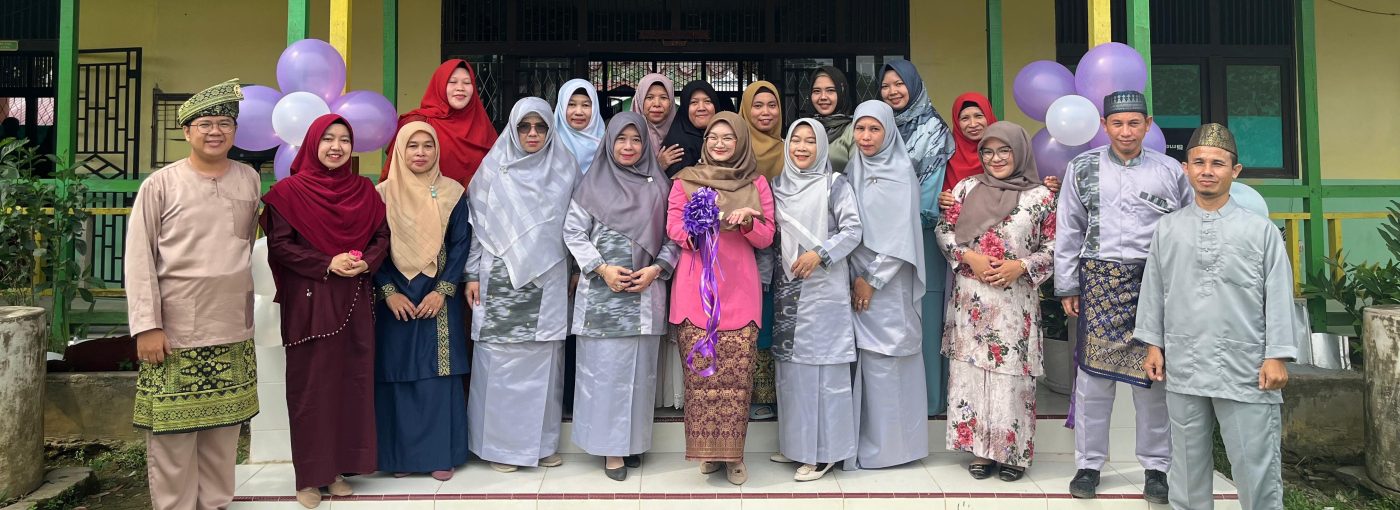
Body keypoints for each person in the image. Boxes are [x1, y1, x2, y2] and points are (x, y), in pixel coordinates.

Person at [1137, 123, 1297, 510]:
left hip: (1245, 365)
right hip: (1185, 361)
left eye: (1218, 163)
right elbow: (1155, 288)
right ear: (1185, 168)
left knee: (1254, 466)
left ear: (1235, 171)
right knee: (1186, 467)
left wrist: (1277, 354)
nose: (1207, 170)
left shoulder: (1260, 230)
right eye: (1199, 162)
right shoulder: (1168, 228)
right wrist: (1153, 345)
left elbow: (1279, 293)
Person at [127, 79, 260, 510]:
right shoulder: (160, 185)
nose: (215, 132)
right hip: (175, 331)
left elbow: (246, 246)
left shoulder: (249, 179)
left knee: (224, 431)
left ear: (235, 131)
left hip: (232, 326)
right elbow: (139, 259)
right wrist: (147, 326)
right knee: (173, 435)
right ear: (186, 131)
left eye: (225, 123)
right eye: (205, 124)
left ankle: (216, 503)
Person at [1055, 90, 1192, 503]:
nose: (1126, 131)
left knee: (1152, 379)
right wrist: (1068, 284)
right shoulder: (1081, 168)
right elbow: (1069, 228)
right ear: (1104, 125)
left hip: (1153, 282)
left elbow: (1187, 226)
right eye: (1117, 123)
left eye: (1134, 123)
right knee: (1093, 380)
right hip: (1099, 282)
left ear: (1148, 124)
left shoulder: (1169, 170)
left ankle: (1156, 468)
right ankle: (1088, 465)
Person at [262, 114, 390, 508]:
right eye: (328, 139)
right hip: (311, 302)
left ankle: (337, 471)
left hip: (354, 298)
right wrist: (326, 262)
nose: (336, 147)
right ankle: (308, 477)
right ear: (312, 143)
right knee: (311, 389)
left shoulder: (364, 191)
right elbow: (280, 246)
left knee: (350, 384)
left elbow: (382, 236)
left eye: (344, 140)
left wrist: (366, 262)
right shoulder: (288, 193)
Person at [935, 121, 1056, 482]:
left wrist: (1022, 266)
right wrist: (968, 257)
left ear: (1019, 152)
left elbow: (1055, 246)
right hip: (972, 298)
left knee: (1011, 375)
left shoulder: (1041, 196)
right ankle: (979, 450)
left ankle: (1011, 452)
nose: (996, 158)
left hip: (1014, 301)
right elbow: (944, 230)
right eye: (988, 151)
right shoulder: (966, 188)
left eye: (1004, 150)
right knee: (971, 373)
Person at [465, 97, 579, 472]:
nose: (533, 134)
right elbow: (477, 228)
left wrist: (577, 270)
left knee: (544, 364)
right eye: (524, 126)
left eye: (541, 126)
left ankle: (541, 445)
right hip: (500, 277)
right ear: (512, 129)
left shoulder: (565, 167)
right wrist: (470, 274)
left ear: (550, 129)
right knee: (499, 365)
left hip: (549, 277)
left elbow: (577, 225)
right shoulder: (493, 169)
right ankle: (500, 449)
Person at [564, 112, 678, 481]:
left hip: (644, 295)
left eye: (636, 139)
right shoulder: (591, 185)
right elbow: (573, 232)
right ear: (609, 142)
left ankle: (631, 443)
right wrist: (601, 269)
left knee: (640, 376)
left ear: (646, 144)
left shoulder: (659, 187)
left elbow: (674, 237)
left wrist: (656, 269)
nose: (628, 147)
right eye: (621, 139)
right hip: (602, 299)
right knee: (605, 375)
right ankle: (610, 450)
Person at [668, 110, 776, 485]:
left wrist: (748, 221)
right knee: (701, 381)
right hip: (695, 291)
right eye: (713, 137)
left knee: (736, 380)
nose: (719, 143)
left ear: (741, 142)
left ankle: (734, 456)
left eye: (728, 137)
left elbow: (767, 235)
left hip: (740, 291)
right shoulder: (686, 180)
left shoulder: (757, 183)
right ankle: (708, 453)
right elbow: (673, 226)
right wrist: (696, 227)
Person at [372, 122, 471, 481]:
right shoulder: (381, 195)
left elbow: (461, 244)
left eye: (427, 145)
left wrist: (443, 290)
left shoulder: (452, 192)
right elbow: (373, 246)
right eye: (412, 145)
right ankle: (402, 457)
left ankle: (440, 455)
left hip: (438, 294)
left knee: (437, 373)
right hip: (395, 296)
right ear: (400, 150)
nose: (420, 152)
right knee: (397, 372)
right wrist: (388, 291)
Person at [766, 118, 862, 481]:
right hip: (787, 289)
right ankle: (797, 445)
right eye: (796, 140)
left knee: (824, 373)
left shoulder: (834, 184)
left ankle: (825, 453)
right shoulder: (777, 186)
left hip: (822, 289)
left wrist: (820, 253)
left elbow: (853, 230)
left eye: (810, 141)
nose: (802, 147)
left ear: (821, 146)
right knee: (792, 372)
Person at [845, 100, 929, 469]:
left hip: (888, 282)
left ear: (888, 132)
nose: (866, 137)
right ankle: (870, 443)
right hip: (856, 275)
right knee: (868, 361)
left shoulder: (900, 171)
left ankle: (897, 449)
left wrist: (872, 280)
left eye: (874, 129)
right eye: (860, 128)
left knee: (891, 357)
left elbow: (901, 234)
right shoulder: (855, 166)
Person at [880, 59, 954, 416]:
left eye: (899, 84)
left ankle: (930, 400)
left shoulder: (934, 129)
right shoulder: (881, 128)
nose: (893, 91)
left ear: (914, 85)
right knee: (893, 314)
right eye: (886, 86)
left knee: (925, 314)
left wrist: (898, 217)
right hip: (884, 236)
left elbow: (930, 190)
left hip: (922, 232)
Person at [380, 59, 497, 187]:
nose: (460, 88)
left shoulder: (482, 126)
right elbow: (394, 172)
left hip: (476, 199)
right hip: (423, 198)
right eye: (452, 82)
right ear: (439, 85)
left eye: (467, 83)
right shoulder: (418, 122)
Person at [740, 80, 784, 420]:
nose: (765, 112)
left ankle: (775, 394)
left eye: (772, 105)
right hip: (744, 246)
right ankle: (747, 395)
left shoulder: (791, 148)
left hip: (790, 249)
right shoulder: (734, 149)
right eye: (757, 105)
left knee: (777, 318)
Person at [938, 94, 1060, 207]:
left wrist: (1045, 186)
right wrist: (942, 200)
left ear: (988, 116)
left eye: (979, 116)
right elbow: (943, 196)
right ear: (956, 122)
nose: (973, 124)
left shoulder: (1012, 145)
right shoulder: (947, 155)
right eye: (965, 118)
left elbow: (1027, 182)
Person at [660, 80, 734, 178]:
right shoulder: (678, 146)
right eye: (694, 102)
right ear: (685, 107)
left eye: (707, 101)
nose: (701, 108)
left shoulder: (730, 137)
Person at [805, 66, 857, 172]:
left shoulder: (854, 130)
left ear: (842, 93)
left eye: (830, 90)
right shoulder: (804, 128)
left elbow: (857, 174)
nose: (823, 97)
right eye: (817, 91)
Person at [553, 78, 606, 174]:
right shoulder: (550, 144)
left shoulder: (606, 145)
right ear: (561, 107)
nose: (578, 112)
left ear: (595, 109)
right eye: (571, 104)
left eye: (585, 105)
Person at [633, 73, 678, 166]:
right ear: (639, 100)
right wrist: (659, 165)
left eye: (663, 97)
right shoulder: (627, 134)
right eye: (649, 97)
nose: (657, 104)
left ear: (671, 101)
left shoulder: (682, 136)